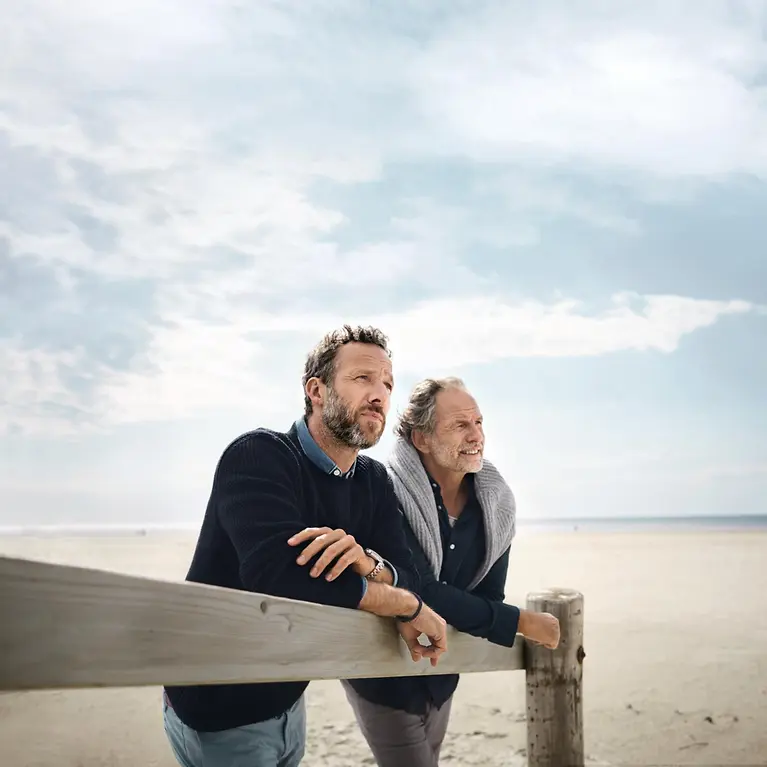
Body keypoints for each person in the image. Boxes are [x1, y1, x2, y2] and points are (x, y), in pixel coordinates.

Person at [162, 326, 448, 767]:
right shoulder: (258, 456)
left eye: (387, 384)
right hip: (217, 706)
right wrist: (404, 606)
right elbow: (280, 578)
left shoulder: (373, 481)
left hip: (289, 700)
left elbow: (409, 574)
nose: (380, 395)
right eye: (363, 379)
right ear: (316, 390)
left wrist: (367, 563)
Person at [342, 377, 560, 767]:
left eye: (478, 423)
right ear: (421, 439)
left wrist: (488, 615)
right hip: (383, 673)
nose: (476, 435)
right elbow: (419, 587)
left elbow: (487, 597)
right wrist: (523, 622)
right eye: (460, 425)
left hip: (442, 673)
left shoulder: (496, 506)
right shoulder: (386, 490)